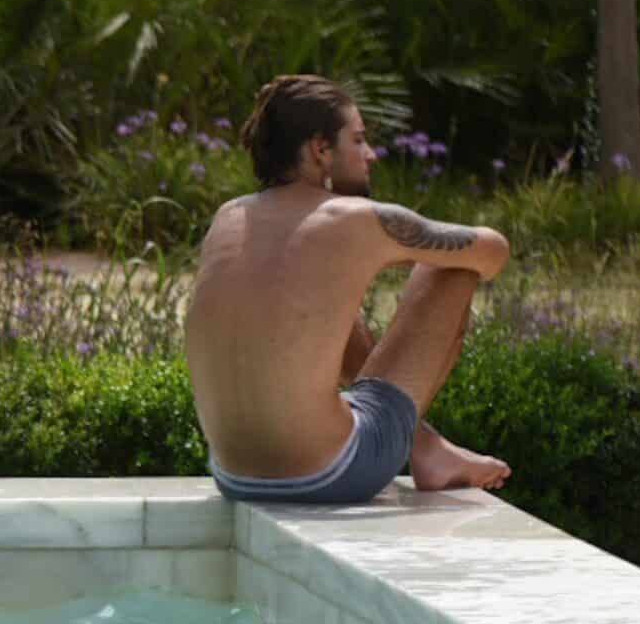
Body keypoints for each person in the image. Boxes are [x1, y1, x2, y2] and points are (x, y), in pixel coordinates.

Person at [184, 74, 513, 504]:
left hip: (232, 477)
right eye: (358, 140)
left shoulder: (228, 217)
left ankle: (428, 446)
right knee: (451, 267)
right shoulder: (352, 216)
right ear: (320, 149)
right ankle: (429, 453)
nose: (371, 155)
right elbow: (493, 250)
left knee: (314, 299)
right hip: (329, 474)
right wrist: (395, 249)